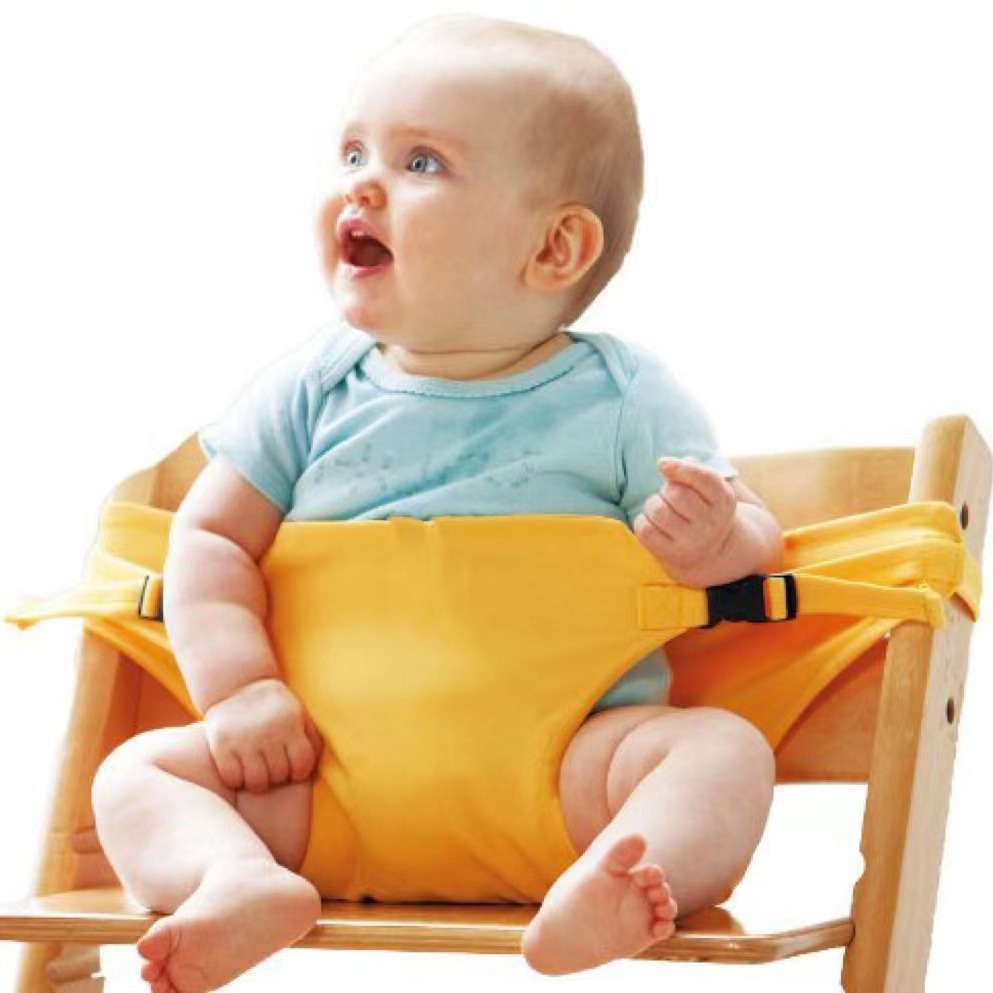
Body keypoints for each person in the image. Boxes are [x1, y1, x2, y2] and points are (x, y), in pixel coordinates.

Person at [91, 14, 784, 989]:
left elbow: (754, 537)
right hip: (313, 786)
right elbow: (209, 537)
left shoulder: (624, 399)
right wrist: (240, 691)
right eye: (353, 153)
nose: (361, 185)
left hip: (564, 787)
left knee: (723, 751)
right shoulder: (310, 390)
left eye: (421, 162)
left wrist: (713, 542)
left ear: (555, 247)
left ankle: (617, 884)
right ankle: (236, 876)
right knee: (137, 775)